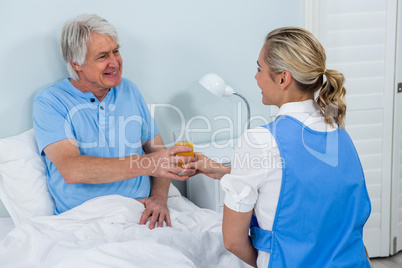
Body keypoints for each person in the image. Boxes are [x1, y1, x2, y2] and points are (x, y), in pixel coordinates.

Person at [185, 27, 371, 267]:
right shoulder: (338, 130)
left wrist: (266, 262)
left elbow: (232, 240)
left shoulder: (260, 140)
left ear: (283, 78)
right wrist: (224, 172)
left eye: (259, 69)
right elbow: (305, 188)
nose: (256, 78)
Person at [33, 14, 195, 229]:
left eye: (116, 51)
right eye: (102, 57)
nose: (115, 62)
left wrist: (158, 198)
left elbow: (159, 153)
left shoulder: (129, 90)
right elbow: (73, 170)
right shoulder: (51, 101)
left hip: (141, 214)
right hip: (84, 220)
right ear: (76, 63)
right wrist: (147, 163)